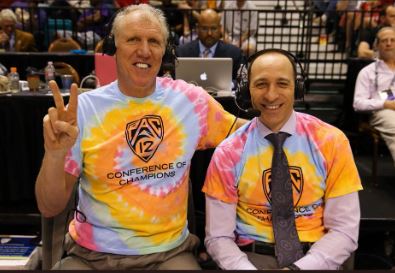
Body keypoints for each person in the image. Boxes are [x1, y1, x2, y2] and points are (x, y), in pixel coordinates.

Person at [35, 4, 245, 270]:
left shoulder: (190, 102)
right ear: (114, 47)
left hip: (168, 253)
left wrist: (290, 114)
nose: (144, 50)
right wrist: (54, 155)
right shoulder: (85, 110)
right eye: (133, 39)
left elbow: (247, 134)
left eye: (154, 41)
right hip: (91, 255)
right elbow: (49, 207)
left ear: (165, 50)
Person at [203, 49, 363, 270]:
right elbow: (218, 237)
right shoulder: (228, 153)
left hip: (318, 257)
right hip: (253, 259)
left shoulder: (332, 141)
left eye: (282, 84)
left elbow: (344, 229)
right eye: (261, 84)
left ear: (296, 88)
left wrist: (300, 269)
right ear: (246, 89)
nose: (271, 95)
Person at [354, 26, 395, 166]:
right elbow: (358, 103)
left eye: (393, 40)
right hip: (383, 111)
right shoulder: (367, 72)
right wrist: (384, 104)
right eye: (384, 40)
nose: (389, 43)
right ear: (377, 45)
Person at [176, 8, 244, 85]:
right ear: (197, 28)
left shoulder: (234, 53)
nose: (209, 33)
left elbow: (240, 80)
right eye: (204, 28)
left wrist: (228, 85)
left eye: (213, 28)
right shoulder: (182, 52)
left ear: (220, 28)